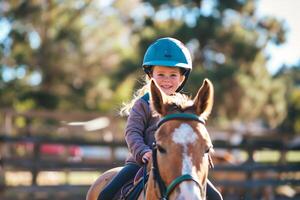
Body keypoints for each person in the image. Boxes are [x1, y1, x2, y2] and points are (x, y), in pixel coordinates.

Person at [98, 37, 222, 200]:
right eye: (161, 74)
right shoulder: (142, 104)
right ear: (150, 76)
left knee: (216, 197)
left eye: (172, 75)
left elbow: (195, 136)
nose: (166, 80)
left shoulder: (187, 109)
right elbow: (132, 131)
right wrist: (143, 152)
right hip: (140, 163)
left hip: (176, 163)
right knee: (106, 194)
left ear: (181, 78)